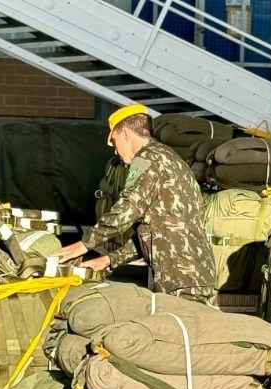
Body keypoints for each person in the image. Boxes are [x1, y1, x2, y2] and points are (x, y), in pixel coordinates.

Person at [55, 104, 216, 302]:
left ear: (125, 133)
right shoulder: (167, 158)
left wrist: (84, 244)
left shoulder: (147, 159)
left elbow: (127, 208)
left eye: (114, 141)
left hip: (180, 278)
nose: (115, 151)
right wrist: (109, 260)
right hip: (191, 274)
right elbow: (157, 233)